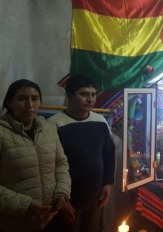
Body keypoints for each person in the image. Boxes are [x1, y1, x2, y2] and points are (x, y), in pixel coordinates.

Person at [0, 79, 71, 232]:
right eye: (21, 98)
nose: (30, 105)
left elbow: (61, 163)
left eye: (34, 98)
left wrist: (62, 194)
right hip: (14, 223)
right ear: (9, 102)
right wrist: (24, 204)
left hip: (50, 218)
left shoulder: (48, 128)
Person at [48, 74, 115, 232]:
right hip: (67, 201)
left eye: (93, 94)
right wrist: (59, 200)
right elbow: (48, 166)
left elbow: (109, 155)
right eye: (84, 94)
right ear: (70, 95)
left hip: (95, 198)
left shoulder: (100, 121)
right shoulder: (54, 124)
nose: (90, 99)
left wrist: (108, 183)